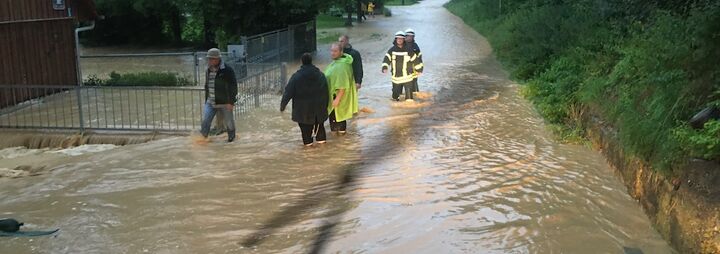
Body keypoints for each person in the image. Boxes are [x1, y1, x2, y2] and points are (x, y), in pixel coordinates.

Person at [280, 53, 329, 146]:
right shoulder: (321, 75)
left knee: (306, 136)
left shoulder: (296, 77)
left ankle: (308, 156)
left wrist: (282, 106)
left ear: (302, 62)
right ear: (311, 61)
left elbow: (288, 93)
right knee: (320, 132)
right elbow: (326, 92)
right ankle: (323, 153)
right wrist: (326, 106)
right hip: (318, 111)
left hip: (303, 112)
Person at [200, 48, 238, 142]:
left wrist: (231, 102)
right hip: (211, 101)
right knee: (205, 121)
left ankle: (231, 140)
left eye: (211, 59)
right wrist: (206, 100)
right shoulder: (208, 70)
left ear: (217, 59)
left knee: (229, 123)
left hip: (225, 102)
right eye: (208, 58)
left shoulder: (227, 70)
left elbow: (233, 86)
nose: (209, 60)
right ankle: (202, 140)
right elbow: (207, 85)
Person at [325, 43, 358, 134]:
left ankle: (341, 143)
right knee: (338, 122)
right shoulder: (338, 62)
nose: (332, 53)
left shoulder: (342, 66)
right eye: (331, 50)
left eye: (335, 51)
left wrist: (337, 100)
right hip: (336, 98)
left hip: (337, 99)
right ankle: (341, 142)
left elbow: (342, 85)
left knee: (338, 124)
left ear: (341, 52)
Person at [382, 31, 417, 101]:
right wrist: (385, 67)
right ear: (395, 39)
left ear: (404, 40)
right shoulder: (392, 50)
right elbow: (386, 59)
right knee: (395, 98)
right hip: (396, 78)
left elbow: (416, 60)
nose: (399, 40)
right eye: (398, 39)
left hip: (407, 77)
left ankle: (410, 111)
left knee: (409, 100)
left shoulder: (409, 50)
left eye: (401, 39)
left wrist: (419, 70)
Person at [404, 28, 424, 94]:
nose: (410, 38)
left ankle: (416, 96)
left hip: (414, 70)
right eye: (408, 36)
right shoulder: (400, 45)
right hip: (403, 70)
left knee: (414, 85)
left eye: (411, 36)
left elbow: (419, 58)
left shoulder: (415, 46)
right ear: (405, 36)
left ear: (413, 37)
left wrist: (420, 69)